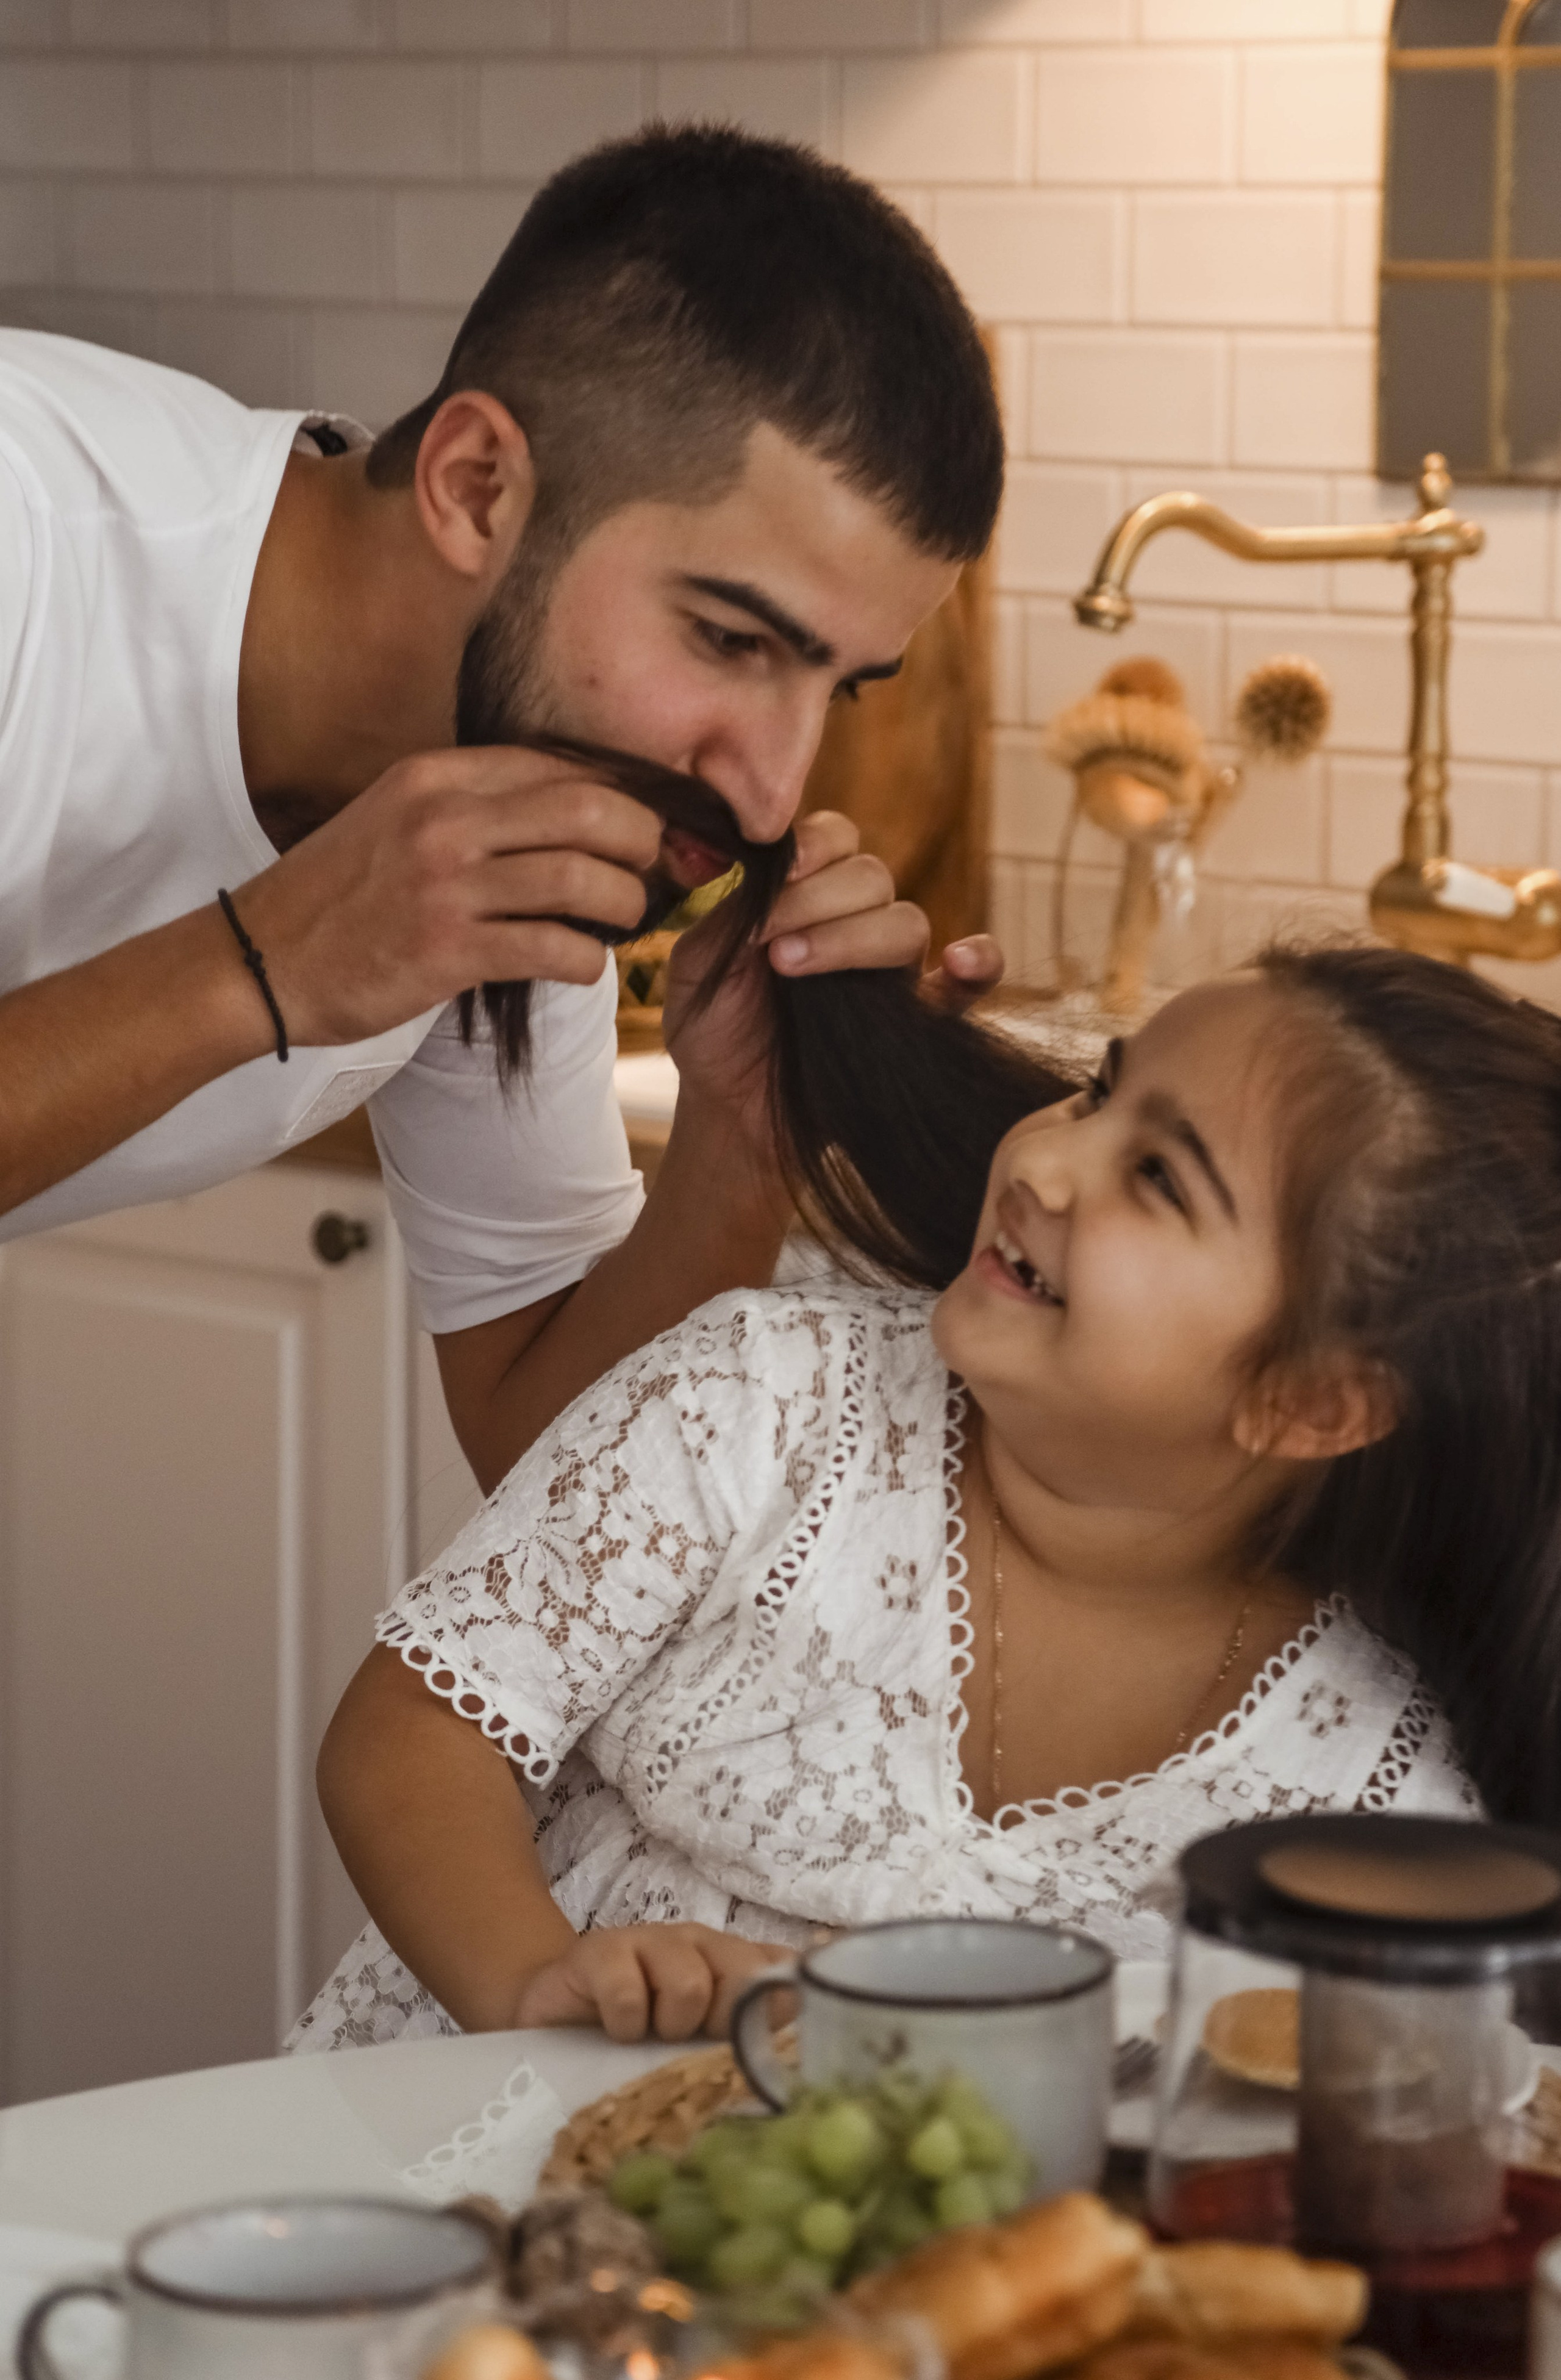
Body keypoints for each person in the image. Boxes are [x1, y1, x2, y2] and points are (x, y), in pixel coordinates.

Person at [291, 939, 1561, 2056]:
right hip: (461, 2144)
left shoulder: (1373, 1790)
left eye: (1159, 1178)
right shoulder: (758, 1399)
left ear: (1314, 1402)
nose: (1051, 1163)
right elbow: (410, 1741)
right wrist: (536, 1984)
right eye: (1096, 1092)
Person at [0, 125, 1003, 1491]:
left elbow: (549, 1459)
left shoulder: (520, 760)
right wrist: (268, 962)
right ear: (475, 487)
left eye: (847, 689)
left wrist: (743, 1136)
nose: (774, 795)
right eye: (726, 640)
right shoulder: (26, 541)